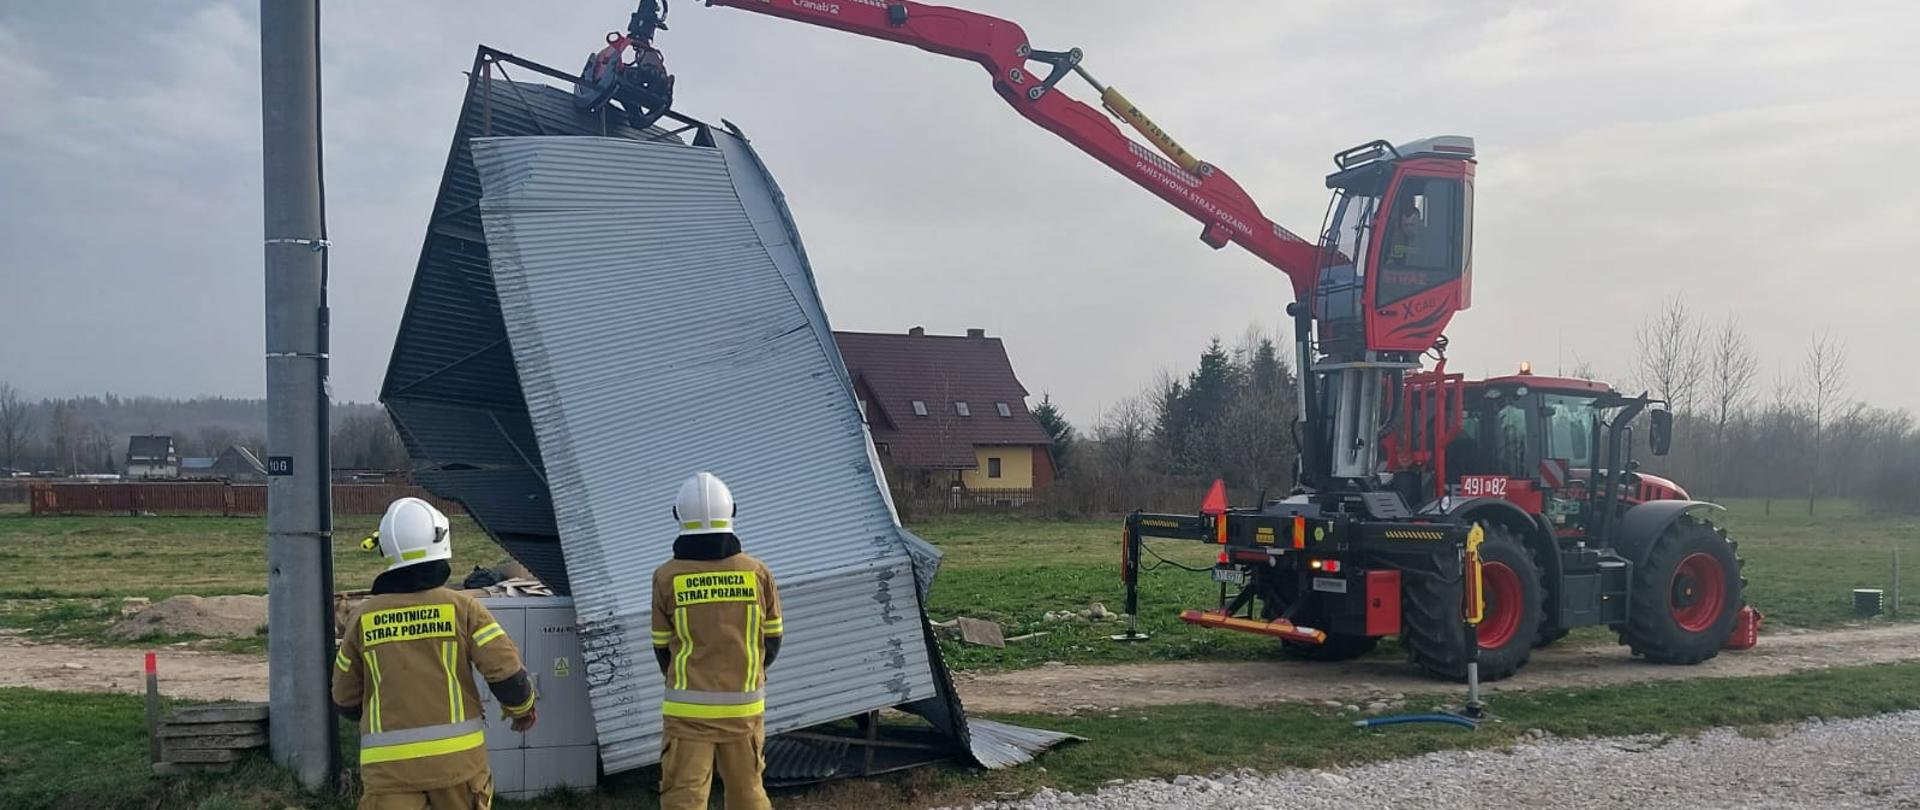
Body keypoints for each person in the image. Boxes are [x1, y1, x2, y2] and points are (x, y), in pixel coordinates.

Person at [333, 498, 538, 810]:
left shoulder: (362, 618)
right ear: (441, 542)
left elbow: (344, 700)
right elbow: (508, 676)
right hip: (457, 770)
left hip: (389, 775)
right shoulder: (463, 609)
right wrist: (522, 709)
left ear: (386, 549)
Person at [651, 472, 784, 810]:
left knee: (684, 799)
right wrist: (746, 672)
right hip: (745, 710)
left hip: (687, 715)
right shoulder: (757, 573)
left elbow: (662, 647)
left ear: (677, 515)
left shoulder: (666, 577)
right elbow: (772, 641)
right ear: (733, 512)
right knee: (748, 794)